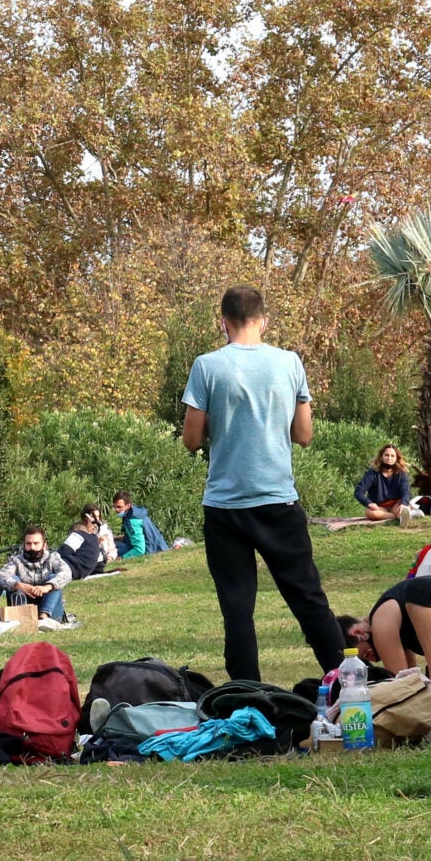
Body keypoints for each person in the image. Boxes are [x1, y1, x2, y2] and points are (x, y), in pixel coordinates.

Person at [180, 285, 343, 682]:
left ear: (223, 322)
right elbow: (304, 435)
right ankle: (345, 678)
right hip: (277, 502)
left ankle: (246, 695)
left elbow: (192, 439)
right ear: (263, 320)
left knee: (237, 608)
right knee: (308, 598)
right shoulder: (289, 363)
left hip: (225, 507)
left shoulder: (206, 366)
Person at [0, 524, 75, 630]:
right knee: (14, 580)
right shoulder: (16, 560)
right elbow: (0, 576)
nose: (32, 547)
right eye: (28, 544)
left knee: (53, 578)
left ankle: (44, 619)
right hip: (24, 608)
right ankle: (21, 619)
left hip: (51, 610)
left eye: (36, 543)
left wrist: (47, 586)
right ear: (23, 545)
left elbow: (67, 572)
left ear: (44, 545)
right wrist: (18, 585)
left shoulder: (53, 557)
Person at [356, 445, 415, 523]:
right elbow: (358, 491)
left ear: (396, 458)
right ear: (381, 457)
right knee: (370, 513)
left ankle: (403, 515)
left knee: (403, 508)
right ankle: (397, 516)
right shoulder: (372, 473)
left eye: (392, 456)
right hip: (380, 507)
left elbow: (406, 491)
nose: (389, 458)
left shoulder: (401, 473)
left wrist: (403, 503)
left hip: (396, 504)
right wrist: (368, 503)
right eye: (386, 455)